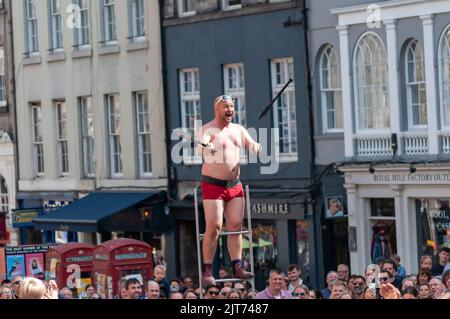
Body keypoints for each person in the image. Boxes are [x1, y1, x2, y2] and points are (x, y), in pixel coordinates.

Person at [198, 95, 261, 284]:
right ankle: (207, 269)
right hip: (213, 186)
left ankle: (237, 266)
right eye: (226, 106)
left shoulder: (238, 129)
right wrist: (206, 146)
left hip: (234, 185)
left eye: (232, 106)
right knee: (215, 226)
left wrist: (256, 147)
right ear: (217, 109)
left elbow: (251, 144)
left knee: (235, 226)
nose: (230, 109)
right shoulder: (208, 129)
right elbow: (202, 142)